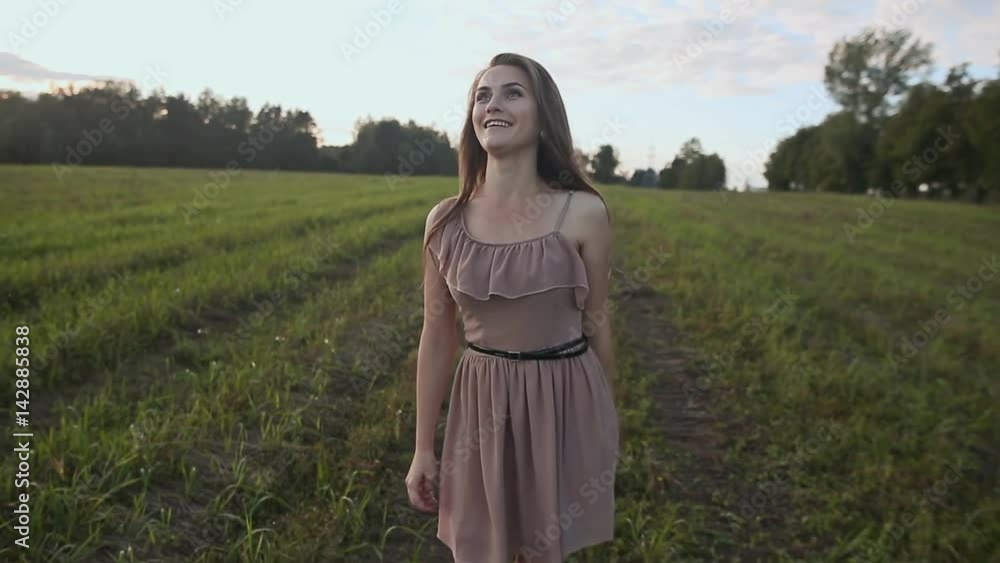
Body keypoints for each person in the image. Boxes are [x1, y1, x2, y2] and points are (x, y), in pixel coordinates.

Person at [406, 52, 621, 563]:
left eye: (512, 93)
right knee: (482, 546)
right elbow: (436, 335)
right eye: (483, 95)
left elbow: (598, 322)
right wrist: (422, 448)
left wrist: (605, 423)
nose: (493, 104)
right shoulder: (444, 220)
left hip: (563, 398)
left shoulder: (584, 212)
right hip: (481, 403)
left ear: (544, 116)